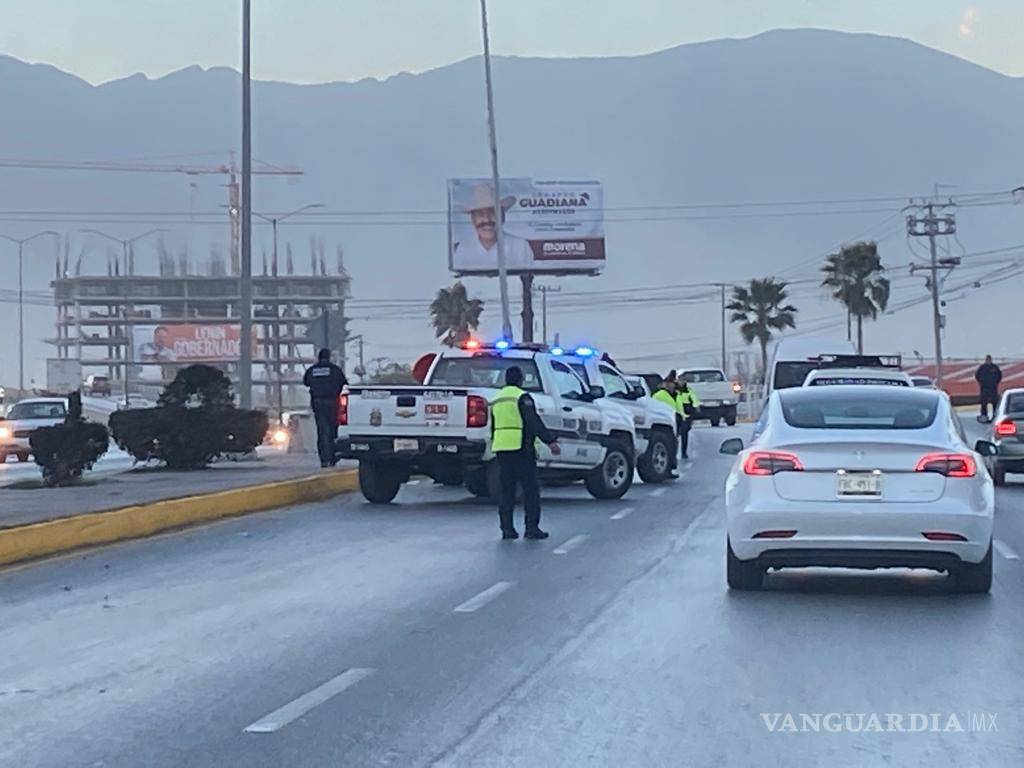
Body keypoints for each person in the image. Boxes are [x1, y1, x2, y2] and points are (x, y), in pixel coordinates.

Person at [491, 366, 559, 540]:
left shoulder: (497, 399)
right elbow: (533, 422)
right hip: (521, 449)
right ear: (520, 380)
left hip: (501, 449)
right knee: (530, 490)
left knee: (507, 492)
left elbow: (493, 425)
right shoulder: (522, 397)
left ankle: (507, 529)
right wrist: (550, 440)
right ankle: (531, 528)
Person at [452, 183, 534, 271]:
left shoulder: (520, 246)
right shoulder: (463, 249)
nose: (486, 220)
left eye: (492, 213)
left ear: (503, 217)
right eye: (480, 214)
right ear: (473, 219)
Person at [303, 348, 348, 467]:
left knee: (321, 431)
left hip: (317, 403)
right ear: (329, 357)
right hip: (332, 403)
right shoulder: (335, 369)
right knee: (333, 430)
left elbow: (306, 382)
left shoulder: (312, 370)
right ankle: (332, 457)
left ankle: (323, 459)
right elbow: (344, 383)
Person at [652, 374, 680, 477]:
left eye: (672, 383)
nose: (671, 385)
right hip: (664, 424)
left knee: (673, 446)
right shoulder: (659, 395)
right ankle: (668, 470)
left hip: (673, 422)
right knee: (669, 447)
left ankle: (670, 469)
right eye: (669, 383)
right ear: (665, 384)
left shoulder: (675, 394)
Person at [676, 378, 701, 460]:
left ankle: (683, 452)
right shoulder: (674, 390)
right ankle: (674, 453)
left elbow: (694, 398)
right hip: (676, 411)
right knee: (675, 434)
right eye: (680, 381)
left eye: (683, 381)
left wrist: (696, 406)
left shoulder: (688, 390)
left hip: (686, 411)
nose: (681, 382)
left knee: (684, 432)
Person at [975, 355, 1002, 423]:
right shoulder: (982, 368)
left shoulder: (995, 368)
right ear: (986, 360)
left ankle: (995, 417)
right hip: (984, 389)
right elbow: (977, 376)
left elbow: (999, 376)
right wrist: (982, 383)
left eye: (989, 360)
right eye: (987, 360)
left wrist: (995, 383)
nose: (988, 361)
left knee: (995, 404)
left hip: (993, 388)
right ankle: (984, 417)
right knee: (984, 403)